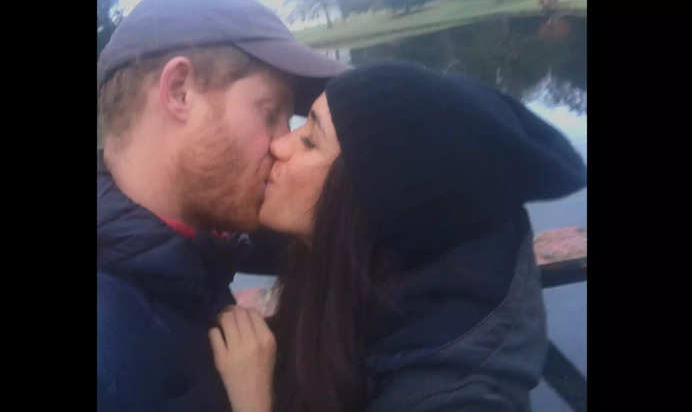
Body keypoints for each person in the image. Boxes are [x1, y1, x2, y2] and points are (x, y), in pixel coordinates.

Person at [209, 60, 587, 412]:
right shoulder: (395, 251)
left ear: (377, 199)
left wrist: (255, 402)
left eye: (310, 139)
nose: (280, 145)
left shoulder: (459, 398)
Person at [97, 0, 348, 412]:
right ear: (179, 91)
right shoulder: (110, 350)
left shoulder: (191, 258)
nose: (281, 145)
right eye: (271, 114)